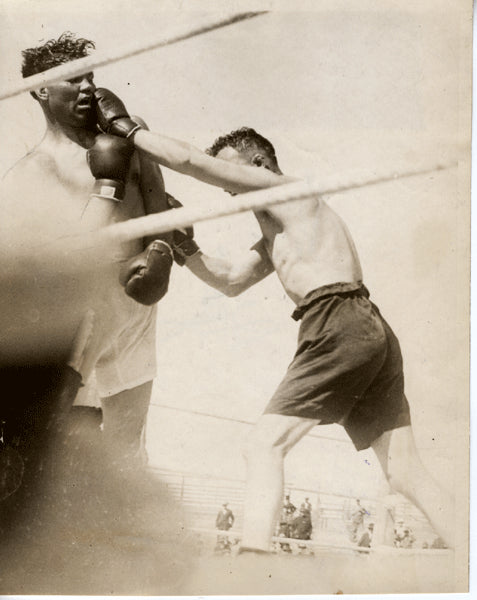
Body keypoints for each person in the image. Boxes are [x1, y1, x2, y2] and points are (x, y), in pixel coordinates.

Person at [93, 89, 455, 552]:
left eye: (234, 178)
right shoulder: (284, 228)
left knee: (264, 446)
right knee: (404, 470)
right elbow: (230, 281)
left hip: (338, 320)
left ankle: (251, 562)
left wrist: (131, 132)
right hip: (367, 326)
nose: (230, 192)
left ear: (259, 165)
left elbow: (189, 161)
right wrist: (185, 247)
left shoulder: (288, 190)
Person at [0, 33, 182, 469]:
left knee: (127, 440)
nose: (88, 88)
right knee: (57, 427)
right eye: (73, 80)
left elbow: (158, 197)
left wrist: (162, 253)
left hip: (140, 300)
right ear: (41, 89)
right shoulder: (31, 172)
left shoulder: (127, 129)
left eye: (90, 77)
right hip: (88, 304)